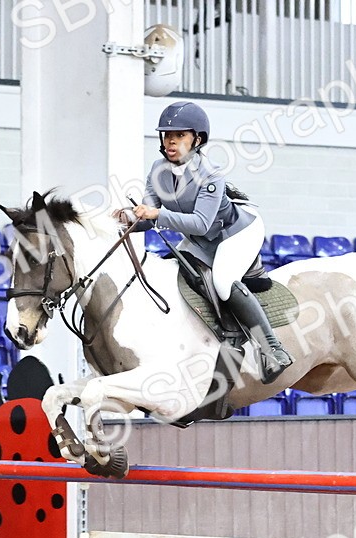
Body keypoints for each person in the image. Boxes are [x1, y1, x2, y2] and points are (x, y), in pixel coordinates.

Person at [125, 100, 293, 384]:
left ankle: (272, 349)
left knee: (224, 282)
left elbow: (201, 222)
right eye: (167, 135)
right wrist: (125, 219)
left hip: (235, 232)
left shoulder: (211, 174)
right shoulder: (157, 170)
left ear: (197, 139)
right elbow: (150, 217)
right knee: (172, 277)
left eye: (179, 135)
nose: (170, 141)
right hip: (200, 238)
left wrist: (155, 214)